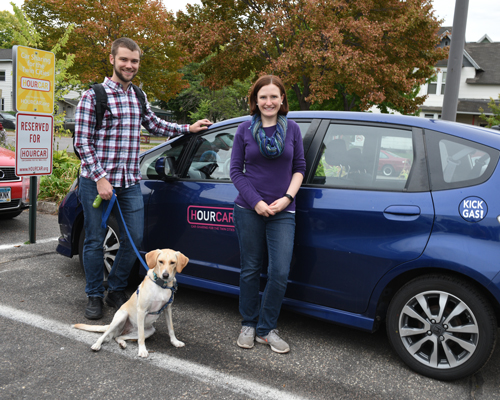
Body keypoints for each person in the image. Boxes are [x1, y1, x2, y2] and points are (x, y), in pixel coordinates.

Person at [74, 37, 212, 320]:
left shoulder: (138, 95)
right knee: (94, 240)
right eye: (124, 59)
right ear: (112, 59)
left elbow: (155, 124)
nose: (129, 65)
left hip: (128, 182)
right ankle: (94, 295)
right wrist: (100, 178)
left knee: (134, 239)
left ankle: (115, 289)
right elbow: (81, 142)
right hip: (96, 181)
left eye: (134, 61)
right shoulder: (94, 96)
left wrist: (188, 127)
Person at [230, 75, 306, 353]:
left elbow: (299, 168)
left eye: (274, 96)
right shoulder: (244, 130)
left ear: (282, 99)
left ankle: (266, 329)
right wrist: (256, 202)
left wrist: (287, 198)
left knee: (279, 271)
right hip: (248, 209)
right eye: (263, 97)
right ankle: (249, 324)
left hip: (284, 210)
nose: (269, 101)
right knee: (250, 269)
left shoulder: (293, 130)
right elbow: (235, 172)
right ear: (255, 100)